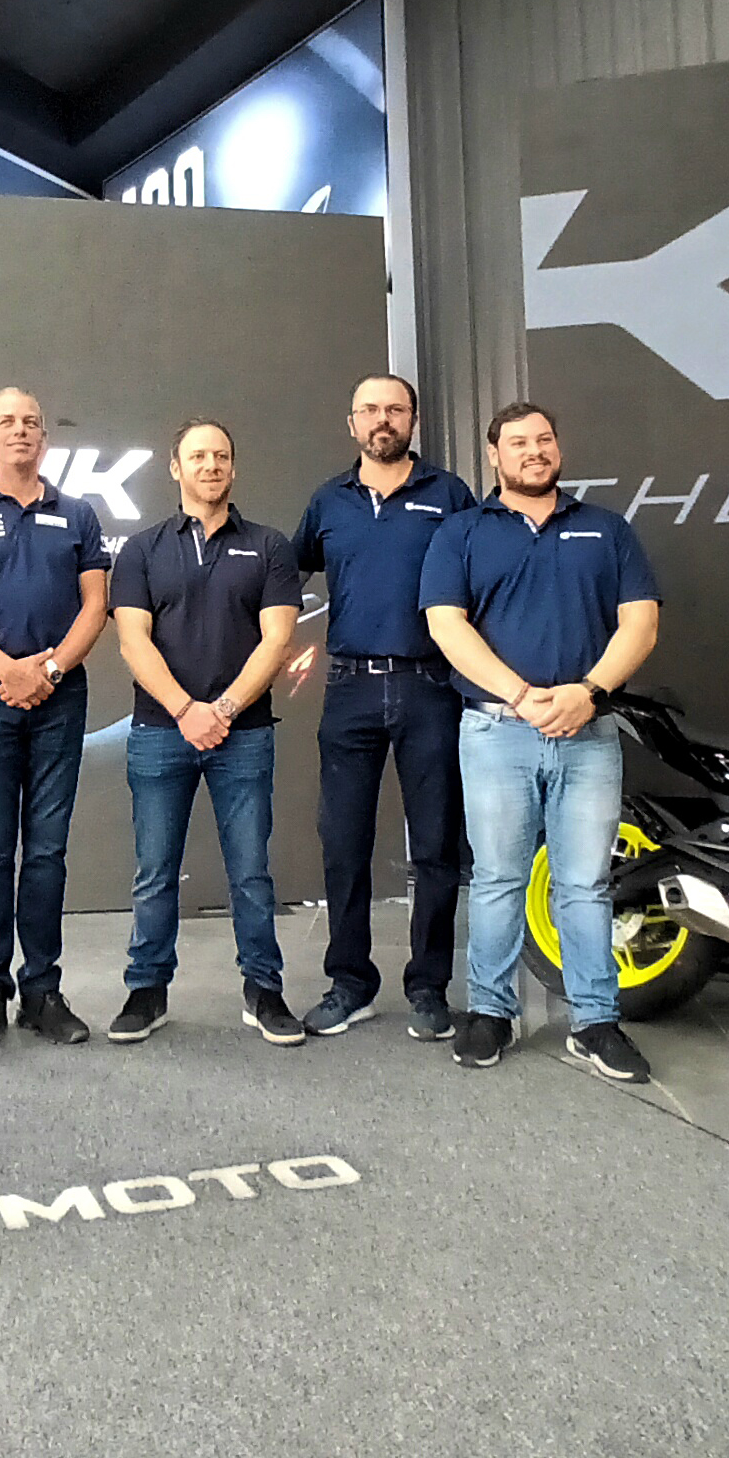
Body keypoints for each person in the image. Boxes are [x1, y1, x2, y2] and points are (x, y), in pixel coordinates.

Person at [419, 401, 661, 1081]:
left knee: (584, 884)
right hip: (496, 730)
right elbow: (446, 625)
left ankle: (595, 1022)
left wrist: (589, 693)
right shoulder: (462, 532)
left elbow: (640, 623)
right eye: (519, 442)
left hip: (589, 731)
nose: (534, 451)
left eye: (544, 439)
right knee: (498, 879)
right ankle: (490, 1013)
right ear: (494, 455)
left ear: (558, 449)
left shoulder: (606, 529)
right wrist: (522, 696)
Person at [107, 419, 303, 1047]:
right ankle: (146, 989)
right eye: (198, 456)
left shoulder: (270, 546)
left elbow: (277, 639)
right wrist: (186, 710)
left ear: (233, 468)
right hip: (159, 732)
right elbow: (132, 640)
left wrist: (222, 709)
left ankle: (264, 990)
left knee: (251, 873)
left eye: (221, 456)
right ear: (176, 468)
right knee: (154, 871)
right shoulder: (141, 550)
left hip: (244, 735)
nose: (210, 465)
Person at [293, 373, 476, 1043]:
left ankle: (429, 987)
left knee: (435, 845)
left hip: (432, 687)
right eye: (369, 409)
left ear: (412, 420)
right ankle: (350, 982)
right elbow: (288, 578)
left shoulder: (450, 496)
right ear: (352, 424)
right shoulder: (328, 501)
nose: (382, 419)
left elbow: (482, 577)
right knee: (344, 842)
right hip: (351, 688)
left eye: (395, 409)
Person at [0, 387, 110, 1055]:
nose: (21, 430)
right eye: (7, 422)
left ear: (44, 438)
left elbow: (96, 605)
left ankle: (41, 992)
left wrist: (49, 671)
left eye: (31, 422)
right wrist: (9, 670)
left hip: (60, 696)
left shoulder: (79, 514)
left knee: (48, 850)